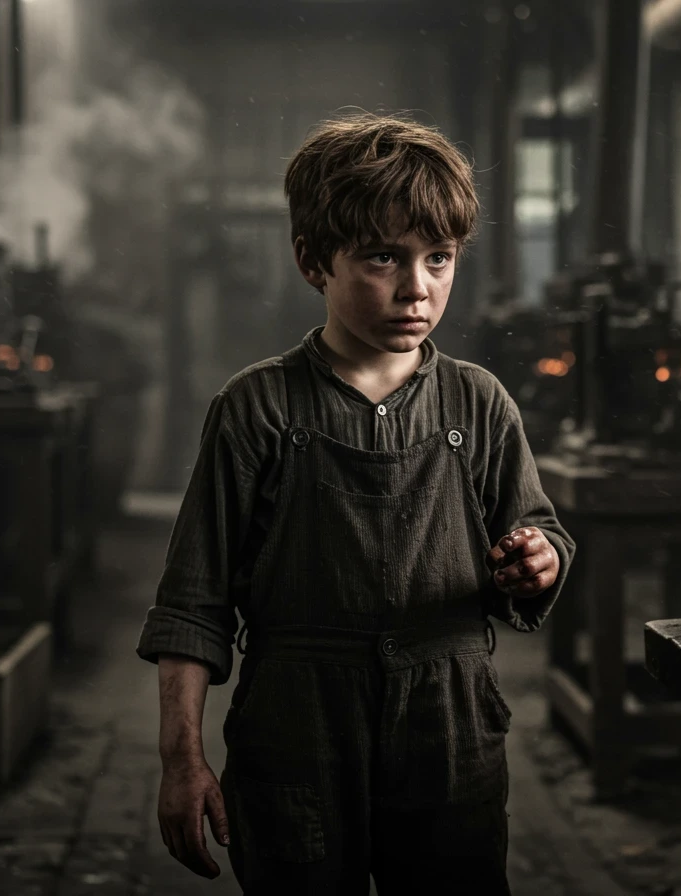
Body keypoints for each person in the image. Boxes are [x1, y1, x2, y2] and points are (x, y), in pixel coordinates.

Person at [136, 112, 575, 894]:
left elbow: (537, 531)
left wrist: (538, 561)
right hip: (298, 724)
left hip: (449, 725)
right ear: (313, 261)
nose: (418, 287)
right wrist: (182, 759)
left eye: (439, 258)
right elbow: (192, 605)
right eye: (383, 257)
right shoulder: (257, 408)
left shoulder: (480, 404)